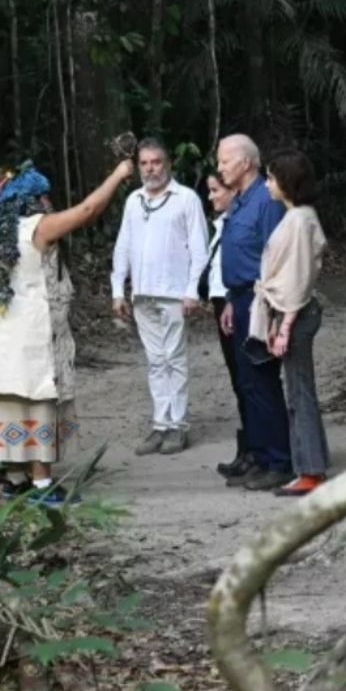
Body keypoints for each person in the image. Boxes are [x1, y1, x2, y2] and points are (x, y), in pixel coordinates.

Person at [0, 159, 134, 505]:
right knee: (38, 402)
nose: (50, 202)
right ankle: (42, 484)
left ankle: (15, 479)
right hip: (31, 335)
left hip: (6, 337)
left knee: (13, 404)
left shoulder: (3, 229)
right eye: (45, 196)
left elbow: (85, 216)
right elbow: (87, 209)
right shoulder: (36, 227)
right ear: (34, 199)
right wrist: (118, 174)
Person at [111, 139, 210, 456]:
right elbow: (123, 247)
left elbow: (199, 248)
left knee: (174, 358)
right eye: (145, 163)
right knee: (155, 361)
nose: (151, 168)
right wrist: (118, 290)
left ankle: (177, 426)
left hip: (173, 293)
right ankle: (160, 423)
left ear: (168, 164)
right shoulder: (133, 201)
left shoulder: (186, 199)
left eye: (156, 162)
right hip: (143, 294)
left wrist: (193, 290)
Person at [249, 149, 331, 496]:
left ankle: (310, 471)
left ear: (285, 183)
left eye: (270, 178)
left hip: (295, 313)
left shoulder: (299, 220)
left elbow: (297, 279)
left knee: (299, 393)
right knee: (299, 391)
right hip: (291, 311)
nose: (267, 184)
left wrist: (283, 327)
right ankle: (312, 464)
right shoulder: (300, 216)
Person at [215, 134, 292, 489]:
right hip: (241, 299)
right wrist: (232, 300)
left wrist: (275, 315)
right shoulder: (241, 201)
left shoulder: (266, 201)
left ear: (245, 163)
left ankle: (279, 460)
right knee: (247, 383)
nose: (220, 168)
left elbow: (276, 259)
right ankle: (258, 456)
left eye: (224, 161)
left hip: (261, 302)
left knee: (263, 382)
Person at [202, 174, 249, 477]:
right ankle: (248, 446)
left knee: (248, 378)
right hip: (222, 301)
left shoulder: (239, 224)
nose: (211, 197)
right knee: (238, 379)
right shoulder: (221, 225)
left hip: (235, 299)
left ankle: (257, 448)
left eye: (216, 190)